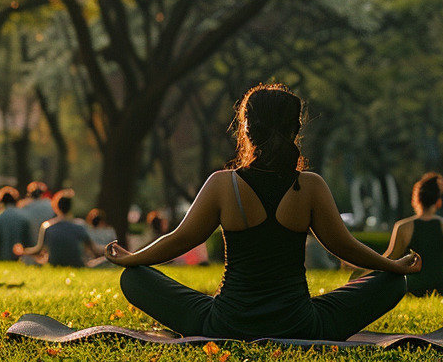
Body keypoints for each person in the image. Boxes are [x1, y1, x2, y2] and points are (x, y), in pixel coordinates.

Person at [104, 83, 420, 340]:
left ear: (246, 129)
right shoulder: (310, 186)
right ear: (295, 129)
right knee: (392, 283)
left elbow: (179, 239)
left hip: (225, 324)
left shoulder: (222, 185)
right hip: (301, 326)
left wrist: (133, 260)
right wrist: (391, 266)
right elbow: (345, 246)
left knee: (134, 279)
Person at [380, 172, 443, 296]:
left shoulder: (403, 226)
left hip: (414, 286)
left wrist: (366, 269)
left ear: (416, 199)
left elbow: (391, 257)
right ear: (438, 202)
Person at [14, 191, 100, 267]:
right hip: (77, 264)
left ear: (56, 207)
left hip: (53, 263)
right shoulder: (80, 226)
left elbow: (38, 250)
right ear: (71, 207)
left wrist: (23, 251)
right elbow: (94, 249)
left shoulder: (47, 226)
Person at [0, 187, 31, 261]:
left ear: (1, 201)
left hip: (2, 256)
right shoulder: (24, 217)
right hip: (21, 257)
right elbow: (27, 239)